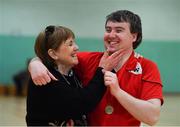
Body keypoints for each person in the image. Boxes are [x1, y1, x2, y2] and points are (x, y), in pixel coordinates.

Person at [28, 10, 163, 126]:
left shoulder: (147, 67)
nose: (111, 35)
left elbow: (152, 117)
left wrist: (118, 92)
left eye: (119, 30)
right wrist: (35, 63)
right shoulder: (87, 59)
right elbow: (55, 56)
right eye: (108, 29)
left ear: (134, 36)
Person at [26, 25, 122, 126]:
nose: (77, 47)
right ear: (53, 54)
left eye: (74, 42)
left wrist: (35, 61)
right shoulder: (46, 78)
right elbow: (83, 103)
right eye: (70, 44)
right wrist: (102, 69)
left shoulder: (71, 72)